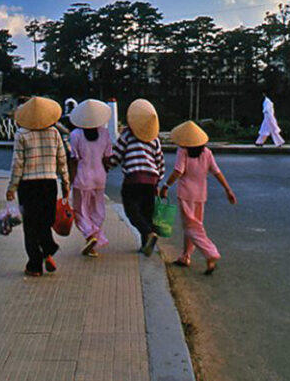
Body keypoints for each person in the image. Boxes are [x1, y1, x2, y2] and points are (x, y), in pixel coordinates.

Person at [160, 121, 237, 275]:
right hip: (201, 195)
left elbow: (178, 171)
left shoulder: (182, 151)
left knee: (191, 228)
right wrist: (227, 189)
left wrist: (166, 186)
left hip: (186, 194)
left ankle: (210, 253)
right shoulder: (206, 152)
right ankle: (185, 256)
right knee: (195, 225)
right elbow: (217, 172)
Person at [6, 96, 71, 276]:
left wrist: (12, 187)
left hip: (28, 185)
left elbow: (17, 164)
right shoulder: (54, 133)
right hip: (49, 183)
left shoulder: (21, 135)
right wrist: (66, 183)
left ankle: (35, 264)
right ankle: (48, 251)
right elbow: (62, 161)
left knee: (30, 224)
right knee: (45, 221)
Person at [106, 98, 165, 256]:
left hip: (133, 178)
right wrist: (157, 183)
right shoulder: (155, 140)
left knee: (132, 210)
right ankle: (145, 245)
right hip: (151, 180)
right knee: (146, 213)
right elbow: (160, 163)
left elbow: (116, 157)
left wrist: (106, 164)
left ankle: (148, 233)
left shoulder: (127, 135)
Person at [68, 99, 114, 257]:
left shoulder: (76, 135)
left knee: (81, 211)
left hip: (82, 178)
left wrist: (69, 180)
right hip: (99, 177)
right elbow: (108, 158)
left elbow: (73, 159)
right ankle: (93, 240)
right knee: (97, 210)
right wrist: (106, 170)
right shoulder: (105, 133)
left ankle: (90, 235)